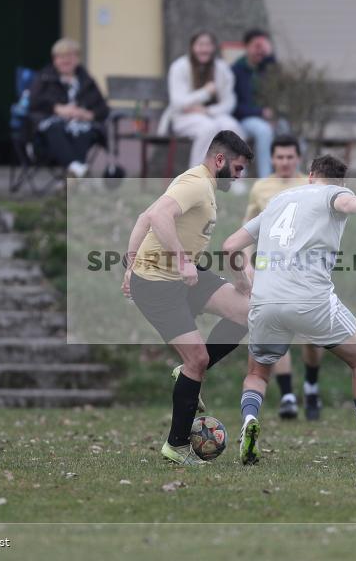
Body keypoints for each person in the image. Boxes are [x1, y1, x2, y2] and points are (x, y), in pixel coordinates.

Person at [222, 154, 356, 467]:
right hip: (309, 299)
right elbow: (346, 204)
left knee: (257, 372)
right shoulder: (334, 192)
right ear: (338, 182)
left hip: (264, 299)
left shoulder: (277, 201)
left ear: (310, 175)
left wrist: (243, 281)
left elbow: (230, 246)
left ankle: (249, 420)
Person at [122, 130, 253, 465]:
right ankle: (177, 446)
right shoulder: (196, 182)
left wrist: (130, 262)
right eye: (237, 169)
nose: (239, 177)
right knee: (199, 360)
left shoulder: (199, 184)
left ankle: (186, 372)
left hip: (181, 275)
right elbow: (156, 217)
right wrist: (177, 261)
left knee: (247, 312)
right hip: (157, 285)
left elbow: (143, 217)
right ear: (219, 160)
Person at [242, 134, 323, 420]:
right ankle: (288, 395)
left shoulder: (312, 185)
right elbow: (248, 227)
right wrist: (247, 264)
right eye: (280, 157)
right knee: (277, 326)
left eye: (290, 157)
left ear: (298, 158)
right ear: (272, 158)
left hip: (306, 270)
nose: (285, 162)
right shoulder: (261, 188)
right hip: (271, 269)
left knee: (311, 337)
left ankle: (311, 384)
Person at [158, 31, 245, 169]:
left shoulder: (221, 68)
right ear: (192, 47)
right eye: (200, 44)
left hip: (214, 114)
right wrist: (205, 92)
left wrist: (207, 111)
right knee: (208, 129)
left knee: (233, 127)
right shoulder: (179, 67)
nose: (204, 49)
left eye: (208, 45)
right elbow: (178, 103)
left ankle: (233, 175)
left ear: (213, 48)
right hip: (183, 116)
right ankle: (196, 177)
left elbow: (229, 102)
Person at [28, 37, 110, 178]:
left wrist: (86, 114)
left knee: (84, 131)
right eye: (61, 56)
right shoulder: (45, 78)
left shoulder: (87, 81)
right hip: (50, 129)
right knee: (56, 129)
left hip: (81, 125)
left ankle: (72, 175)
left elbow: (103, 109)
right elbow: (34, 103)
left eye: (70, 56)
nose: (66, 60)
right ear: (55, 60)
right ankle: (78, 169)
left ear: (77, 59)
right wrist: (58, 109)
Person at [232, 28, 279, 178]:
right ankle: (265, 179)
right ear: (246, 47)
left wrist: (273, 116)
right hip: (246, 119)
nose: (259, 52)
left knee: (291, 129)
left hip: (270, 118)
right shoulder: (236, 70)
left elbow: (281, 92)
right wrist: (260, 113)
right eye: (256, 46)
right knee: (264, 131)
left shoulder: (269, 68)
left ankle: (292, 179)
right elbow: (235, 107)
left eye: (263, 47)